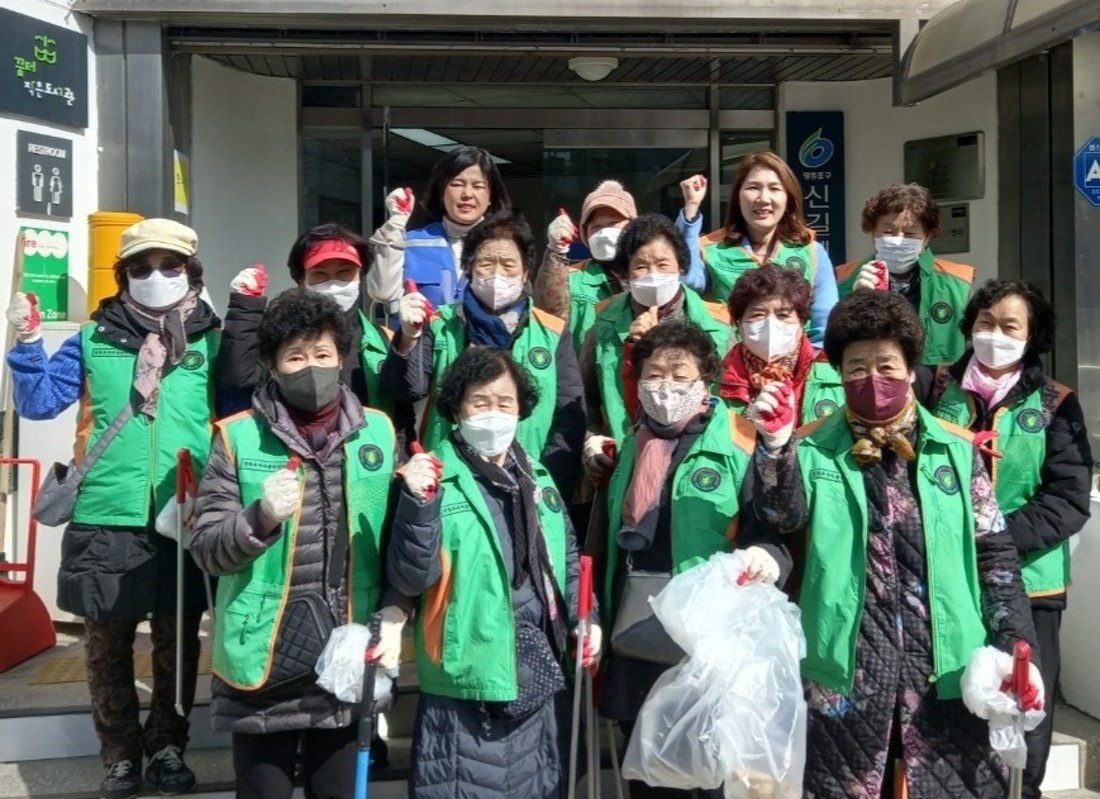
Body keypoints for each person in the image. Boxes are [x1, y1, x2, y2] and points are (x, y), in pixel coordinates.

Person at [743, 289, 1042, 798]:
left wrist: (1014, 647)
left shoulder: (955, 450)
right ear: (839, 372)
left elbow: (995, 555)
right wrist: (775, 447)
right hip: (846, 670)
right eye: (857, 367)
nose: (873, 378)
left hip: (948, 668)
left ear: (910, 368)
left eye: (886, 365)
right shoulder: (810, 447)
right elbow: (778, 518)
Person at [5, 218, 219, 799]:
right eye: (141, 267)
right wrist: (27, 344)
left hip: (184, 512)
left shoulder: (213, 341)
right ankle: (120, 755)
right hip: (104, 513)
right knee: (106, 648)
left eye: (170, 266)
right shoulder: (91, 338)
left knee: (178, 644)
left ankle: (168, 747)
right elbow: (40, 403)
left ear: (191, 272)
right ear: (123, 276)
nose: (156, 275)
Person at [190, 289, 408, 799]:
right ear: (272, 365)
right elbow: (206, 548)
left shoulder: (378, 432)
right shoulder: (237, 437)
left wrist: (398, 608)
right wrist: (260, 517)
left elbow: (401, 541)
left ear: (342, 358)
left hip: (347, 653)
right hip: (264, 659)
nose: (311, 367)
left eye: (322, 354)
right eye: (294, 356)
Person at [386, 345, 598, 799]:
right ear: (456, 408)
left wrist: (587, 618)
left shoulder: (537, 478)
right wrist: (419, 505)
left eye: (505, 403)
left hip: (539, 669)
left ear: (522, 410)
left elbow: (567, 561)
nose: (493, 414)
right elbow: (411, 579)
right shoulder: (434, 480)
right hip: (468, 679)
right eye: (479, 402)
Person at [597, 319, 781, 798]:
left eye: (680, 376)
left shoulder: (741, 441)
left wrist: (765, 556)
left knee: (716, 771)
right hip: (640, 632)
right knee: (651, 773)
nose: (666, 388)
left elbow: (772, 530)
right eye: (654, 375)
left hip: (713, 639)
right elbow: (607, 540)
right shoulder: (631, 444)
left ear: (706, 382)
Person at [926, 280, 1093, 799]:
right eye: (985, 322)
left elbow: (1068, 498)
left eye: (1009, 326)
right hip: (945, 581)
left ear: (1032, 335)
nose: (994, 334)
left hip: (1031, 584)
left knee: (1024, 703)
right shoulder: (934, 387)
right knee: (950, 703)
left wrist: (994, 541)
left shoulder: (1056, 403)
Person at [383, 213, 585, 499]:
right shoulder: (438, 324)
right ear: (469, 268)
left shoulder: (552, 332)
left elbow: (569, 418)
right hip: (448, 483)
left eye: (508, 264)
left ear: (525, 272)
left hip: (530, 483)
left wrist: (548, 483)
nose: (497, 274)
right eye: (486, 263)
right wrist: (408, 337)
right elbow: (405, 391)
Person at [217, 224, 415, 450]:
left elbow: (401, 413)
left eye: (344, 273)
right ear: (301, 279)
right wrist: (246, 309)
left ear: (360, 277)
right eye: (320, 275)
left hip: (365, 459)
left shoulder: (386, 340)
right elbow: (239, 378)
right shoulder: (282, 336)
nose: (334, 284)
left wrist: (402, 461)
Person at [580, 213, 730, 485]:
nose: (653, 275)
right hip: (625, 466)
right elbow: (585, 397)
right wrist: (592, 441)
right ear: (625, 272)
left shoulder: (718, 324)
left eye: (663, 264)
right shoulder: (603, 324)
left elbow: (730, 401)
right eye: (641, 266)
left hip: (698, 466)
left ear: (681, 266)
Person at [687, 152, 837, 344]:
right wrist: (690, 209)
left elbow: (824, 328)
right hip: (728, 358)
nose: (764, 198)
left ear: (788, 199)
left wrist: (814, 361)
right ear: (738, 196)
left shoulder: (812, 252)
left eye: (774, 188)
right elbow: (688, 280)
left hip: (798, 360)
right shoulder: (709, 250)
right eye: (753, 187)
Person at [835, 183, 975, 364]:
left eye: (909, 233)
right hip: (873, 375)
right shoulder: (844, 279)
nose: (898, 240)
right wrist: (856, 300)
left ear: (927, 237)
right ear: (873, 233)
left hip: (935, 380)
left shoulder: (958, 283)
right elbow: (832, 342)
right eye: (888, 231)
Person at [367, 146, 512, 314]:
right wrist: (395, 226)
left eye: (478, 186)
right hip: (420, 331)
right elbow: (382, 294)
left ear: (491, 196)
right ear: (441, 192)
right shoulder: (410, 243)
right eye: (457, 184)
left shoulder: (507, 246)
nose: (467, 194)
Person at [717, 263, 844, 424]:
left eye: (783, 315)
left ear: (802, 322)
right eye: (758, 315)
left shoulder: (836, 373)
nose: (771, 324)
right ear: (739, 324)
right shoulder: (715, 382)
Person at [534, 179, 639, 353]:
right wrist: (555, 251)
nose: (604, 232)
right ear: (585, 234)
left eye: (613, 223)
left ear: (633, 226)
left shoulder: (649, 273)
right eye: (596, 227)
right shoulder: (571, 277)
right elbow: (547, 315)